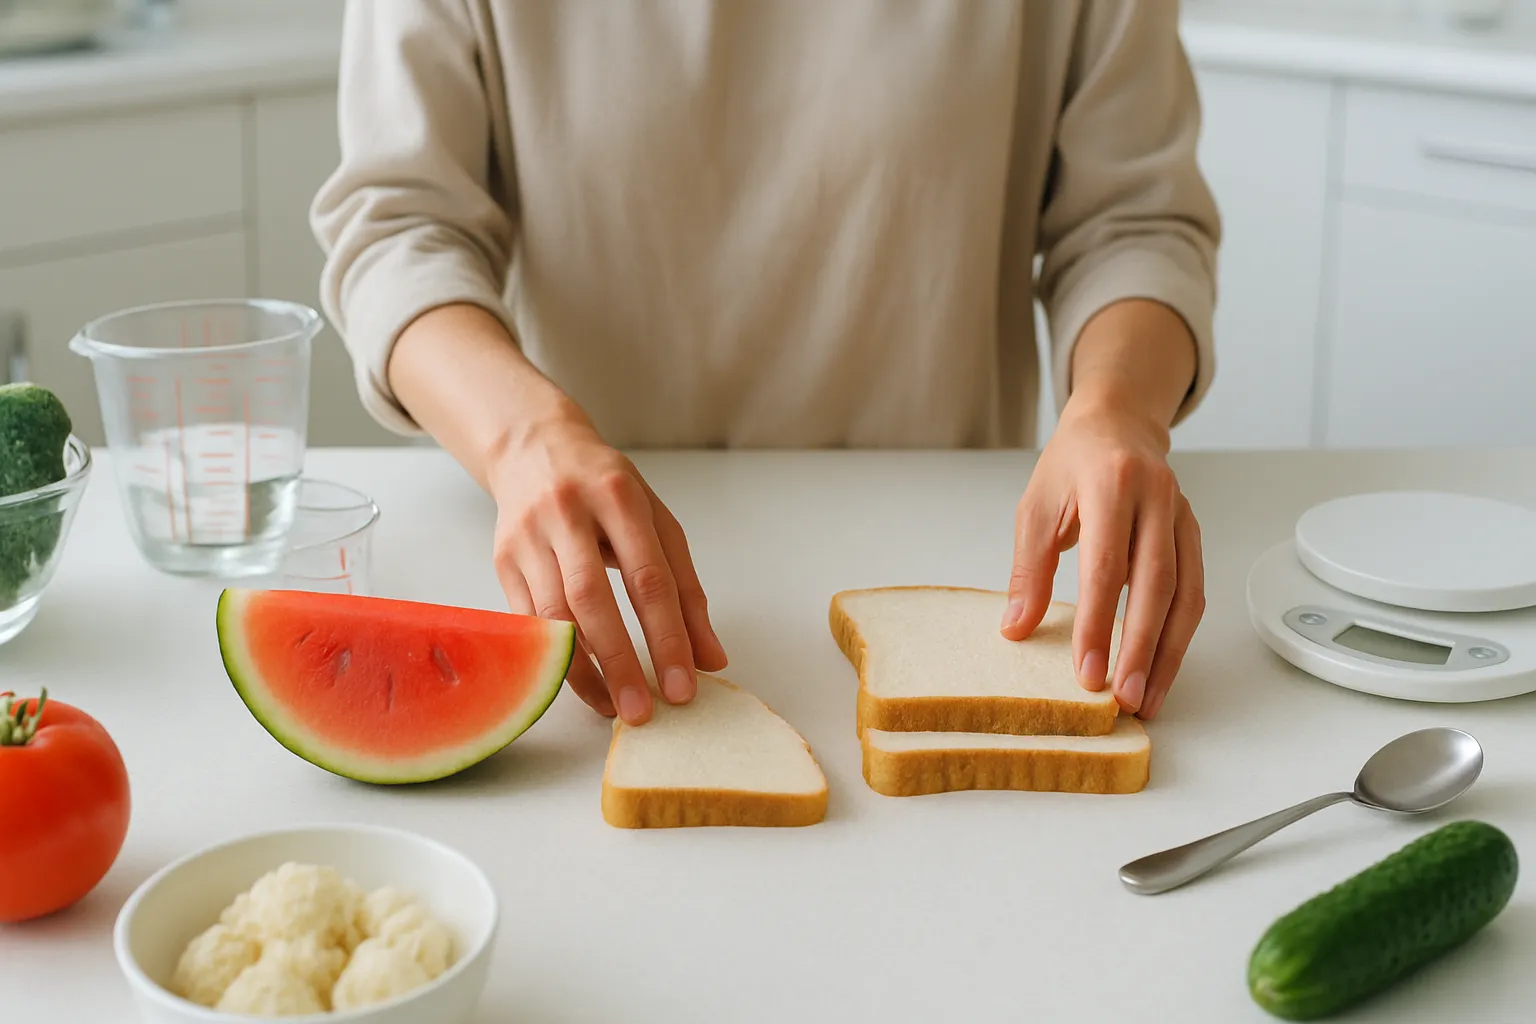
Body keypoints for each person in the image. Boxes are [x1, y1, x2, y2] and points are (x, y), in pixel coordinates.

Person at [311, 0, 1219, 730]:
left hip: (961, 544)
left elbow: (1131, 223)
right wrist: (521, 438)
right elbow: (400, 229)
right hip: (594, 568)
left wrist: (1116, 410)